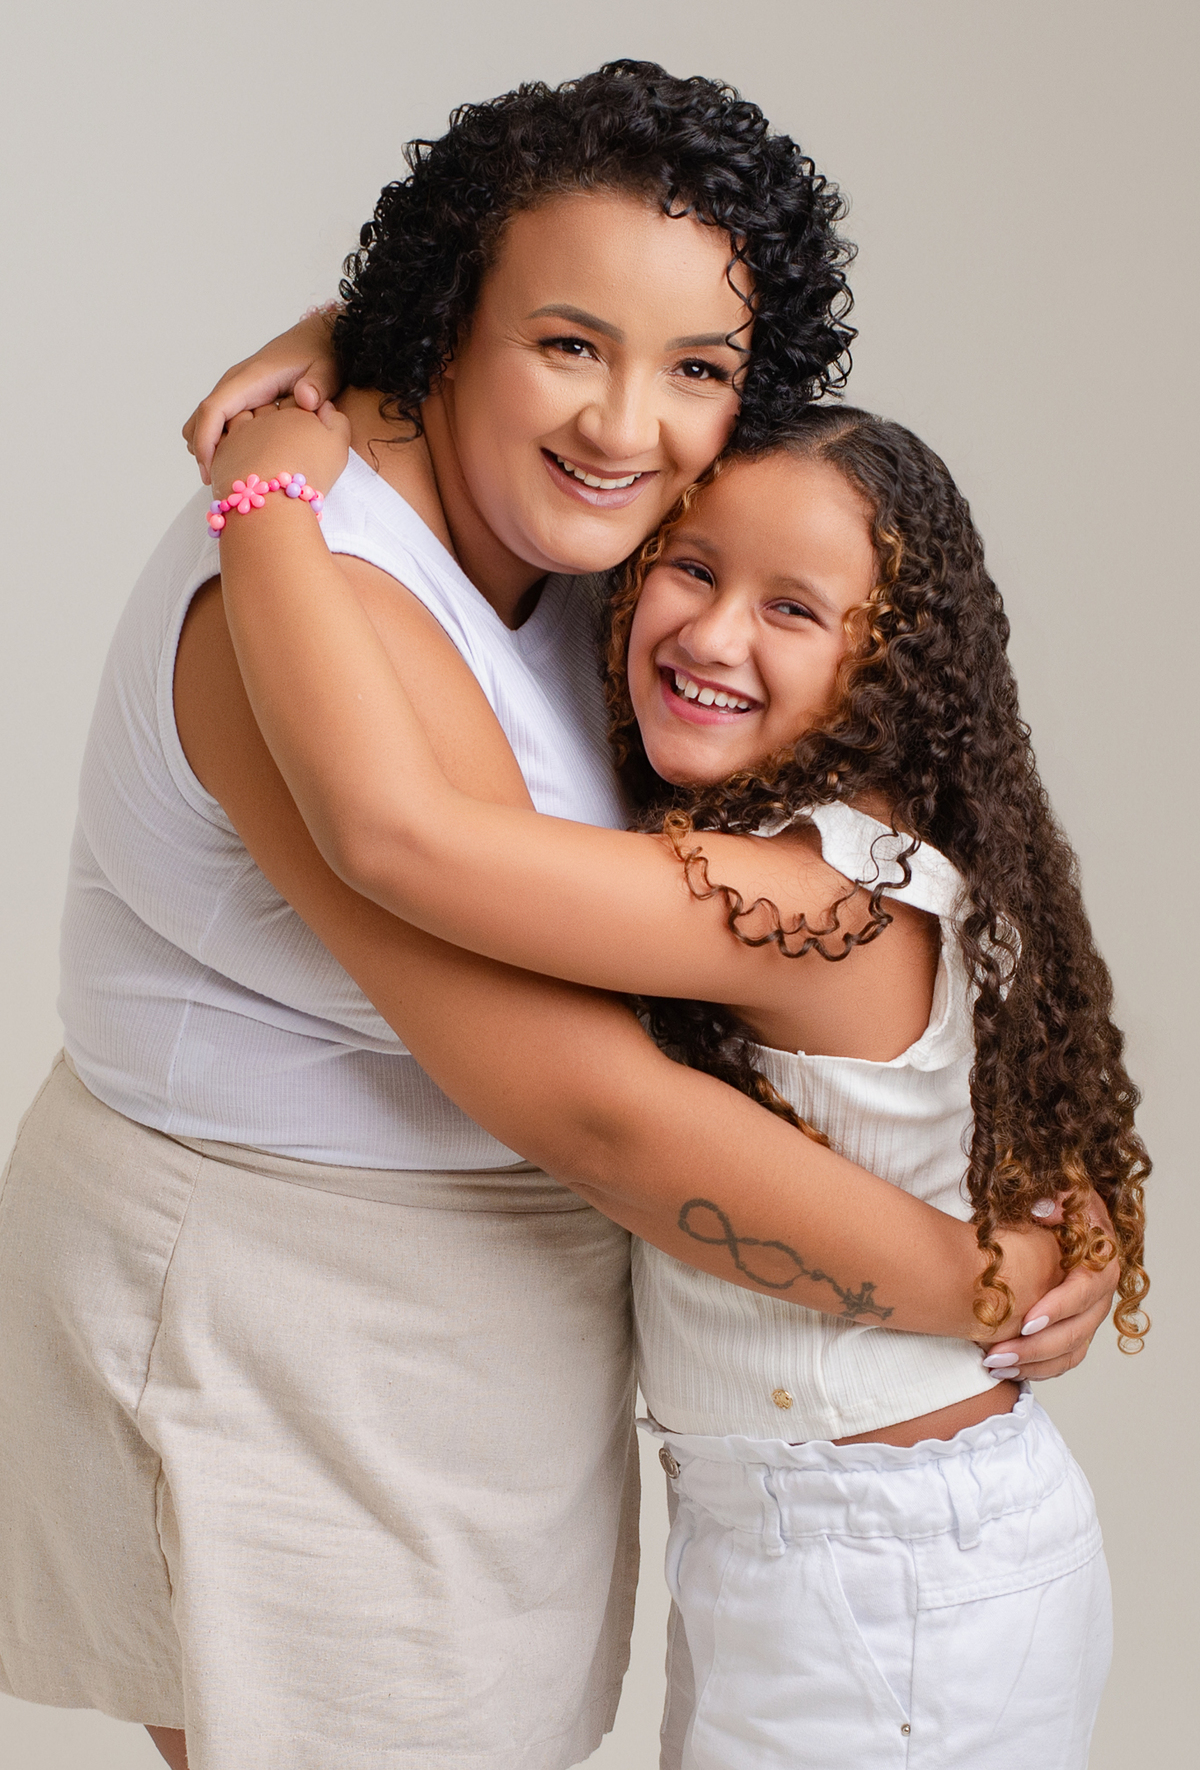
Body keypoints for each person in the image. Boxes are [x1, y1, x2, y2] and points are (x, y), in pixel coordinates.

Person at [0, 64, 1115, 1770]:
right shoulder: (312, 591)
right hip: (290, 1324)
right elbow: (579, 1085)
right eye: (568, 346)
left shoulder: (636, 555)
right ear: (453, 317)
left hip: (547, 1355)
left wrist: (1045, 1191)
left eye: (697, 371)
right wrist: (982, 1272)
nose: (623, 426)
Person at [208, 395, 1148, 1769]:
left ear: (890, 667)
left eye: (793, 609)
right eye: (692, 568)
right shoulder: (829, 849)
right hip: (838, 1545)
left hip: (885, 1568)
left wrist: (265, 508)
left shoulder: (810, 897)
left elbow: (400, 838)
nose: (711, 635)